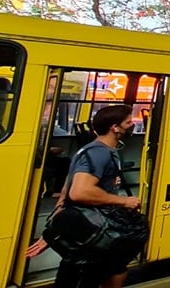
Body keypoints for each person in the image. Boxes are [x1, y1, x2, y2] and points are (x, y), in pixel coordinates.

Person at [26, 105, 144, 288]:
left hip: (90, 231)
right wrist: (124, 201)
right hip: (89, 234)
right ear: (115, 127)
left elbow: (66, 191)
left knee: (115, 266)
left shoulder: (94, 150)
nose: (132, 124)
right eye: (129, 121)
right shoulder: (99, 153)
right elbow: (79, 192)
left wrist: (54, 230)